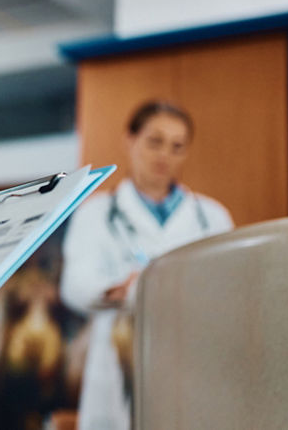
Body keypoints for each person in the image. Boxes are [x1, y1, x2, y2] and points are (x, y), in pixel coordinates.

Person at [60, 100, 234, 430]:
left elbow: (229, 290)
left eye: (177, 146)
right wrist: (120, 290)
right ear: (130, 140)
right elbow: (74, 286)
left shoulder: (212, 217)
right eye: (155, 141)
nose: (164, 155)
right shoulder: (95, 214)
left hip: (194, 360)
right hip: (117, 361)